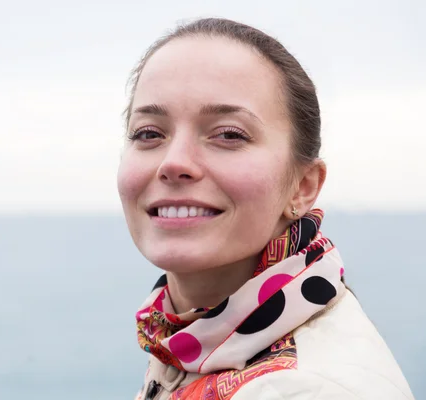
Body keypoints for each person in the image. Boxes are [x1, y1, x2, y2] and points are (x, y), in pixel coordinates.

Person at [117, 18, 414, 400]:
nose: (173, 163)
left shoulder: (305, 390)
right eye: (149, 133)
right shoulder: (196, 338)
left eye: (228, 135)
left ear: (303, 186)